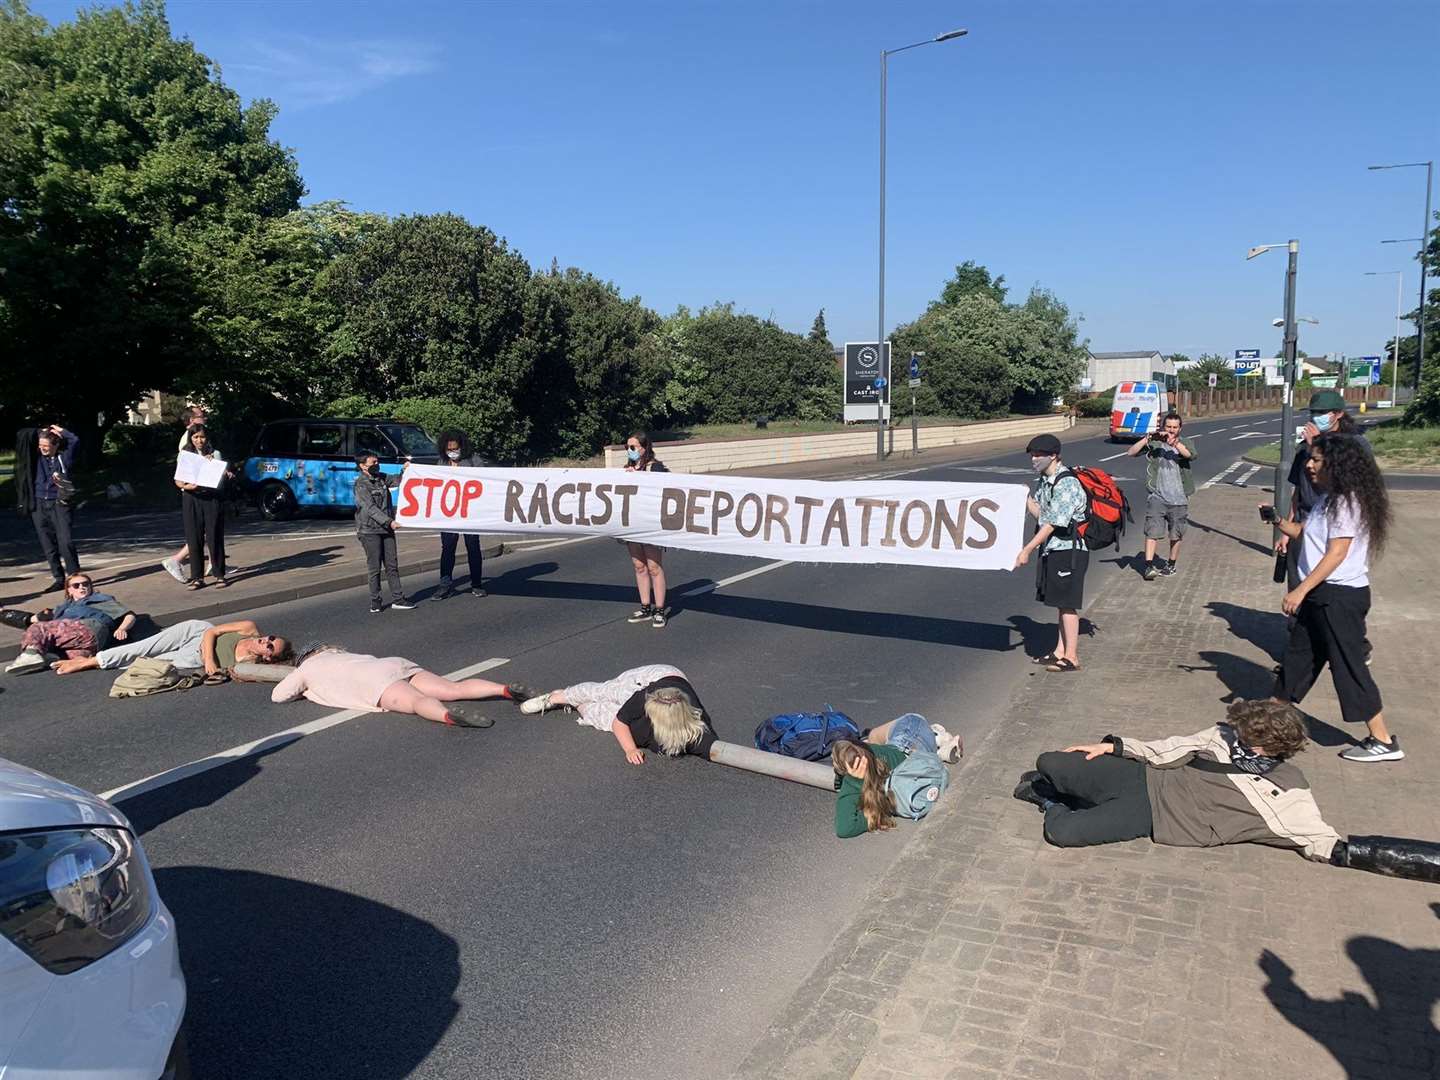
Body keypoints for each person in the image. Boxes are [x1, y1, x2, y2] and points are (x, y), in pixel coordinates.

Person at [1013, 698, 1341, 860]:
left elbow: (1319, 838)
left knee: (1061, 832)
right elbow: (1172, 749)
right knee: (1051, 761)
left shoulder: (1287, 787)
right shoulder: (1224, 734)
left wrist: (1368, 855)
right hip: (1146, 776)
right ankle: (1075, 793)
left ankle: (1053, 801)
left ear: (1270, 746)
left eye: (1244, 738)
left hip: (1157, 816)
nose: (1234, 739)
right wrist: (1113, 746)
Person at [1269, 432, 1399, 763]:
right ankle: (1267, 724)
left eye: (1316, 460)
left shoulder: (1346, 502)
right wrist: (1280, 523)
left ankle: (1382, 740)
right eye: (1310, 459)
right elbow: (1306, 535)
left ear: (1336, 465)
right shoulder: (1329, 499)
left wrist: (1300, 589)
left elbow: (1336, 553)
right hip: (1323, 595)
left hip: (1338, 596)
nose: (1309, 465)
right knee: (1299, 659)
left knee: (1349, 666)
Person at [1276, 389, 1371, 661]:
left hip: (1336, 529)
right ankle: (1300, 653)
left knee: (1330, 592)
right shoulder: (1303, 449)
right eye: (1313, 413)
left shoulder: (1352, 445)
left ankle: (1354, 647)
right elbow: (1298, 490)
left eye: (1321, 414)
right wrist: (1287, 527)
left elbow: (1355, 483)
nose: (1315, 418)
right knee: (1298, 590)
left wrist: (1316, 446)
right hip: (1304, 525)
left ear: (1338, 414)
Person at [271, 646, 530, 729]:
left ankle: (448, 716)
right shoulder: (336, 652)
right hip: (390, 665)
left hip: (372, 684)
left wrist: (302, 685)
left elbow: (279, 696)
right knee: (454, 688)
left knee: (417, 703)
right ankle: (504, 689)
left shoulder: (305, 669)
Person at [519, 664, 717, 763]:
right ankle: (558, 696)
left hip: (668, 688)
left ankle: (578, 705)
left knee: (601, 718)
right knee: (605, 691)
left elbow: (715, 748)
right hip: (648, 679)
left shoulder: (698, 726)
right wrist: (630, 750)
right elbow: (620, 722)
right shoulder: (645, 699)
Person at [1013, 434, 1089, 673]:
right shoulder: (1045, 481)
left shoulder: (1066, 483)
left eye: (1039, 455)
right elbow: (1042, 515)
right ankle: (1059, 652)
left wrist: (1027, 549)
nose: (1034, 459)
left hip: (1070, 551)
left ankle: (1072, 657)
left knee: (1067, 604)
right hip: (1053, 550)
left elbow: (1052, 524)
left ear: (1053, 455)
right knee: (1059, 603)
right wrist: (1026, 498)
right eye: (1032, 454)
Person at [831, 715, 963, 838]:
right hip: (912, 740)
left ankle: (937, 743)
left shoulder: (883, 799)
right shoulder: (875, 754)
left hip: (918, 756)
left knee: (876, 737)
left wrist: (851, 782)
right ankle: (936, 737)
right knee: (876, 734)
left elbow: (845, 828)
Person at [51, 619, 291, 677]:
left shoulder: (249, 664)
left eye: (270, 646)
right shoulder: (249, 628)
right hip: (196, 632)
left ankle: (98, 661)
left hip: (192, 657)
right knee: (143, 647)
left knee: (148, 664)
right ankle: (87, 661)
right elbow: (212, 632)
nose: (265, 641)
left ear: (269, 658)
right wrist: (211, 661)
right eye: (270, 637)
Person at [4, 573, 136, 674]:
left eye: (86, 584)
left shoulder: (99, 599)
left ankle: (31, 654)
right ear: (69, 590)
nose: (82, 587)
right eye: (76, 585)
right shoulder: (62, 608)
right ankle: (51, 657)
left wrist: (122, 628)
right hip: (91, 646)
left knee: (39, 628)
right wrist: (3, 614)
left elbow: (128, 615)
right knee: (63, 657)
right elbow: (32, 618)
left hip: (87, 627)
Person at [1125, 411, 1196, 580]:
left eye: (1174, 427)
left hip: (1179, 498)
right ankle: (1149, 566)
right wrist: (1147, 438)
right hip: (1157, 496)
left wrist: (1175, 444)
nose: (1170, 430)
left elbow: (1190, 455)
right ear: (1163, 427)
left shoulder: (1185, 442)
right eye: (1168, 427)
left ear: (1180, 428)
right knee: (1152, 531)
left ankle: (1171, 564)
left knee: (1176, 534)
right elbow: (1131, 452)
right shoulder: (1155, 443)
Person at [430, 429, 490, 601]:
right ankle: (445, 585)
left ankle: (477, 584)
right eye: (449, 449)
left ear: (462, 447)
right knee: (448, 548)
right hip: (448, 514)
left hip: (470, 513)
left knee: (473, 547)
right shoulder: (441, 462)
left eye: (455, 449)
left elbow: (486, 480)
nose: (452, 452)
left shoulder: (473, 460)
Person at [21, 424, 80, 592]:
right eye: (40, 446)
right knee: (48, 544)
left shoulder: (64, 458)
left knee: (65, 541)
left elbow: (74, 440)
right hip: (39, 504)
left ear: (55, 445)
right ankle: (59, 578)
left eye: (46, 446)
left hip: (59, 503)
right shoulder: (36, 457)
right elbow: (25, 438)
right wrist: (41, 432)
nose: (42, 449)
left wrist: (61, 431)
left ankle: (74, 577)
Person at [353, 451, 413, 613]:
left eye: (377, 462)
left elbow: (397, 480)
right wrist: (389, 522)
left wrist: (405, 470)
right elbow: (370, 508)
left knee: (392, 565)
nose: (376, 465)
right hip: (369, 530)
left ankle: (398, 598)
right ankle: (375, 601)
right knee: (374, 568)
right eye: (373, 462)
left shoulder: (381, 477)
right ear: (362, 466)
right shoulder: (361, 484)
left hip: (386, 529)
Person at [621, 432, 670, 629]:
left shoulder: (655, 467)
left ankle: (659, 610)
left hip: (650, 523)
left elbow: (665, 488)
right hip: (633, 523)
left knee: (653, 567)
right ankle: (645, 606)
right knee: (639, 566)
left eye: (633, 447)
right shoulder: (627, 469)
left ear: (644, 447)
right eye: (627, 447)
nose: (630, 451)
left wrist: (641, 477)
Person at [175, 423, 230, 590]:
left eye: (202, 437)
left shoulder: (215, 453)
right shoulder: (185, 455)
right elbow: (178, 480)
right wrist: (186, 486)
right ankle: (197, 578)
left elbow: (220, 476)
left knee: (214, 536)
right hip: (191, 498)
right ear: (191, 438)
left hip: (211, 497)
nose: (199, 440)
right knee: (194, 538)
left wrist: (213, 464)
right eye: (196, 437)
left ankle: (220, 575)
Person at [161, 405, 208, 582]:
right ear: (191, 420)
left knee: (207, 530)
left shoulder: (197, 436)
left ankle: (215, 562)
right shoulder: (188, 439)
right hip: (193, 490)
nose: (204, 419)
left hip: (201, 488)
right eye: (201, 416)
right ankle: (177, 560)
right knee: (200, 531)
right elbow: (187, 465)